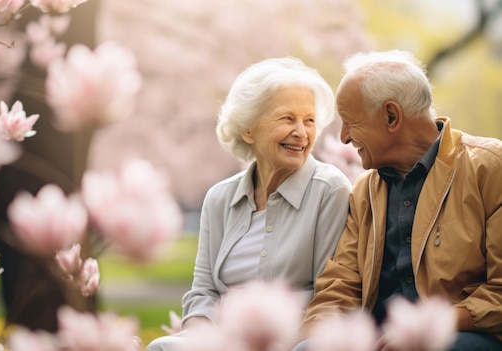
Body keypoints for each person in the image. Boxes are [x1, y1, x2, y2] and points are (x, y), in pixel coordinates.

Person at [297, 49, 502, 351]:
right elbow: (339, 286)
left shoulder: (490, 167)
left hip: (459, 337)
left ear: (391, 116)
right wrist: (321, 337)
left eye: (350, 122)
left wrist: (420, 332)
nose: (343, 138)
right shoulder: (364, 190)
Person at [146, 57, 351, 350]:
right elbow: (204, 291)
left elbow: (328, 295)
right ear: (248, 130)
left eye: (309, 121)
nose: (302, 132)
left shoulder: (330, 190)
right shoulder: (220, 198)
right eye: (287, 118)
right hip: (223, 342)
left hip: (293, 341)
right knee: (162, 348)